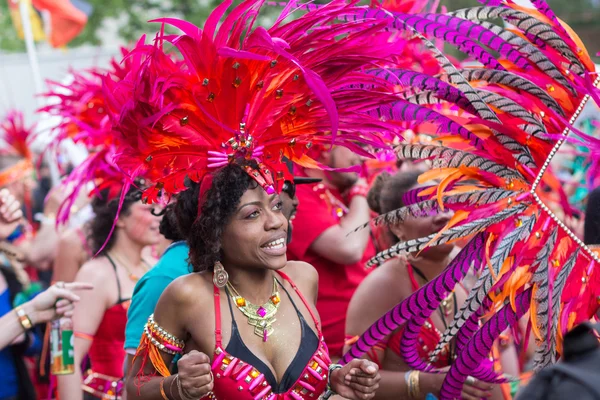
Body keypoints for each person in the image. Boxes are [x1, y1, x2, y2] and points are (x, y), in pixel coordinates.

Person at [127, 164, 380, 400]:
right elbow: (134, 386)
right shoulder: (189, 295)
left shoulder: (303, 279)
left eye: (277, 205)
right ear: (215, 232)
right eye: (253, 214)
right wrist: (177, 387)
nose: (276, 222)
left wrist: (334, 375)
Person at [344, 170, 519, 400]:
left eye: (445, 205)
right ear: (397, 226)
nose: (443, 216)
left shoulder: (471, 268)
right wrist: (424, 382)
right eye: (426, 209)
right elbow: (354, 378)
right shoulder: (384, 285)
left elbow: (496, 350)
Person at [57, 187, 161, 400]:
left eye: (159, 209)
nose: (158, 217)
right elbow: (66, 354)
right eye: (149, 209)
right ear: (120, 219)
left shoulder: (155, 267)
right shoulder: (94, 274)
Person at [287, 145, 376, 358]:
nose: (365, 157)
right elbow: (349, 249)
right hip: (331, 354)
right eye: (358, 145)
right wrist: (360, 194)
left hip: (368, 338)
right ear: (326, 145)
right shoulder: (297, 195)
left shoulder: (341, 192)